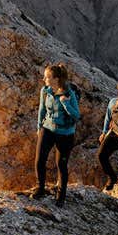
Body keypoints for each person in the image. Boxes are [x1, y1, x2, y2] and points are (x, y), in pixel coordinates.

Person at [34, 62, 80, 206]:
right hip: (47, 129)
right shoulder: (45, 91)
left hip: (65, 133)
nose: (44, 79)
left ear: (56, 79)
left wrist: (65, 103)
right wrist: (39, 127)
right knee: (39, 160)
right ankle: (40, 188)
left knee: (61, 164)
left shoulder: (69, 93)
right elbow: (42, 110)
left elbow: (76, 115)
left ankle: (61, 195)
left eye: (47, 77)